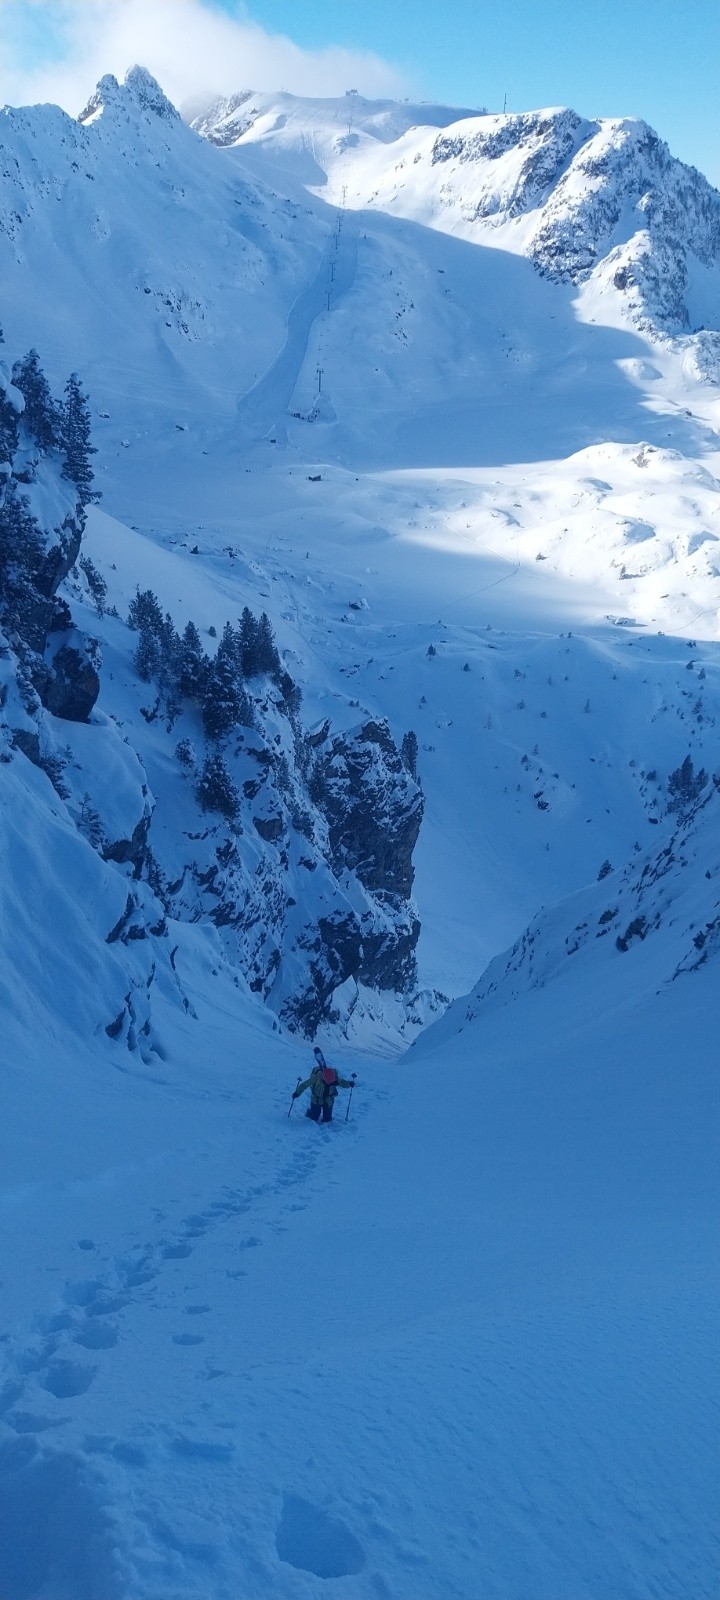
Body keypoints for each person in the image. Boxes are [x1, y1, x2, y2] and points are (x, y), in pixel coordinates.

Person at [293, 1047, 355, 1123]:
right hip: (316, 1098)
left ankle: (326, 1117)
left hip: (328, 1099)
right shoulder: (316, 1078)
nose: (329, 1083)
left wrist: (349, 1084)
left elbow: (343, 1083)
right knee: (314, 1118)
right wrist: (297, 1093)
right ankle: (310, 1112)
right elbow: (304, 1085)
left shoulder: (335, 1077)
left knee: (327, 1119)